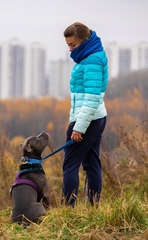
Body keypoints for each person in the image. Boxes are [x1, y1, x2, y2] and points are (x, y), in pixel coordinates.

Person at [62, 22, 108, 207]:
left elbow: (91, 98)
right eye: (68, 45)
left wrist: (79, 127)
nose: (70, 49)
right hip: (95, 117)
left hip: (87, 119)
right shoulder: (90, 55)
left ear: (85, 40)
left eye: (73, 45)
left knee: (70, 165)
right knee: (91, 164)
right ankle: (93, 207)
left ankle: (68, 209)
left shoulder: (91, 61)